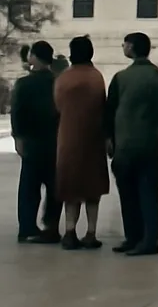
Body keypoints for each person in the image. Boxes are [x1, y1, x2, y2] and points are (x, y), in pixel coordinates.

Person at [106, 32, 158, 257]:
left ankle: (133, 236)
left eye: (125, 43)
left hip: (124, 144)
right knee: (148, 194)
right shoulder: (155, 75)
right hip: (147, 144)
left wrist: (109, 139)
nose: (123, 46)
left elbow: (109, 110)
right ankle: (149, 239)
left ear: (132, 47)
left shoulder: (120, 78)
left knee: (127, 194)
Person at [54, 35, 109, 249]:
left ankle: (69, 231)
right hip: (93, 138)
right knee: (92, 189)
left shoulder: (64, 78)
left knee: (70, 188)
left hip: (68, 136)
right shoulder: (96, 77)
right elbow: (101, 106)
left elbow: (57, 105)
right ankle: (91, 233)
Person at [11, 40, 61, 244]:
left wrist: (18, 137)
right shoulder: (58, 81)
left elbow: (17, 112)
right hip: (54, 141)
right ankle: (51, 226)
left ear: (35, 57)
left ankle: (27, 227)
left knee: (29, 188)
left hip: (31, 141)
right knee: (54, 187)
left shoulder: (24, 83)